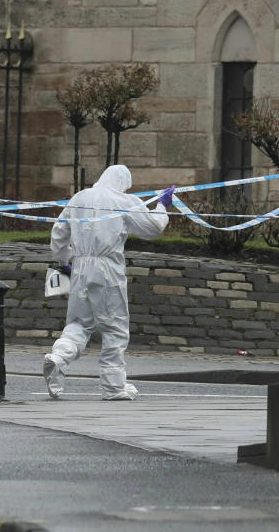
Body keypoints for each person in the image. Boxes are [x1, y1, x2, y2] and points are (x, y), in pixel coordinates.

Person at [44, 165, 175, 400]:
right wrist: (162, 205)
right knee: (114, 327)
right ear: (122, 182)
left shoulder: (79, 197)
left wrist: (63, 261)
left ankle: (59, 357)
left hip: (79, 267)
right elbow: (153, 228)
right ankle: (114, 387)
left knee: (77, 324)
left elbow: (58, 233)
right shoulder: (125, 201)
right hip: (107, 268)